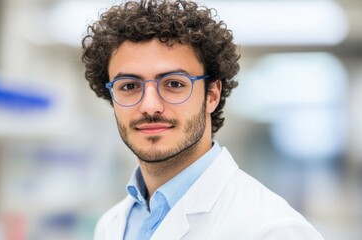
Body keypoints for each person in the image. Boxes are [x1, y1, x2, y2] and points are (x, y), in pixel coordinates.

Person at [81, 0, 325, 239]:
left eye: (174, 84)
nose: (150, 106)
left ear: (212, 95)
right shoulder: (112, 225)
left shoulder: (271, 229)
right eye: (130, 86)